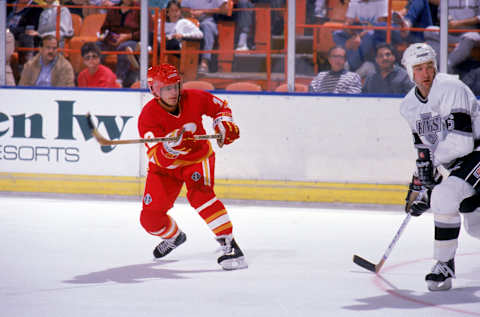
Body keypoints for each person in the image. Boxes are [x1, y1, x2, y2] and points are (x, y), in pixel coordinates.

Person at [137, 63, 247, 270]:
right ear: (154, 90)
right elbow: (156, 157)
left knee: (200, 195)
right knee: (150, 219)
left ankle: (230, 246)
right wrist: (172, 147)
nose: (173, 92)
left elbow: (220, 107)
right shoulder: (148, 116)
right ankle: (174, 237)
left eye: (175, 86)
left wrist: (222, 124)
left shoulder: (194, 97)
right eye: (166, 88)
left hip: (197, 158)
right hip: (165, 169)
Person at [400, 42, 480, 291]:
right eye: (419, 69)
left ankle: (443, 265)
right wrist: (421, 184)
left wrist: (432, 177)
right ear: (409, 72)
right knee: (476, 226)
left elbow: (462, 143)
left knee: (444, 196)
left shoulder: (450, 87)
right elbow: (424, 150)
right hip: (460, 164)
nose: (426, 74)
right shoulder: (408, 106)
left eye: (429, 67)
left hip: (475, 151)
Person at [96, 0, 151, 87]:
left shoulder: (141, 9)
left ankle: (119, 80)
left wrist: (127, 36)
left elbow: (146, 31)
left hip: (133, 40)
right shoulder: (113, 9)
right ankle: (97, 76)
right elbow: (104, 29)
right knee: (96, 46)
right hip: (112, 41)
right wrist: (111, 38)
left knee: (124, 47)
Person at [424, 0, 480, 74]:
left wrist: (458, 23)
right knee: (429, 30)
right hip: (450, 34)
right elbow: (440, 14)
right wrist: (448, 22)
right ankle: (446, 65)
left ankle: (446, 67)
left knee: (469, 38)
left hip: (471, 33)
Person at [180, 0, 229, 73]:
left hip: (207, 20)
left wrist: (204, 12)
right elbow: (182, 8)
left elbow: (225, 10)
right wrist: (190, 13)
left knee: (207, 26)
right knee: (179, 26)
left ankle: (204, 63)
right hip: (190, 20)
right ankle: (181, 65)